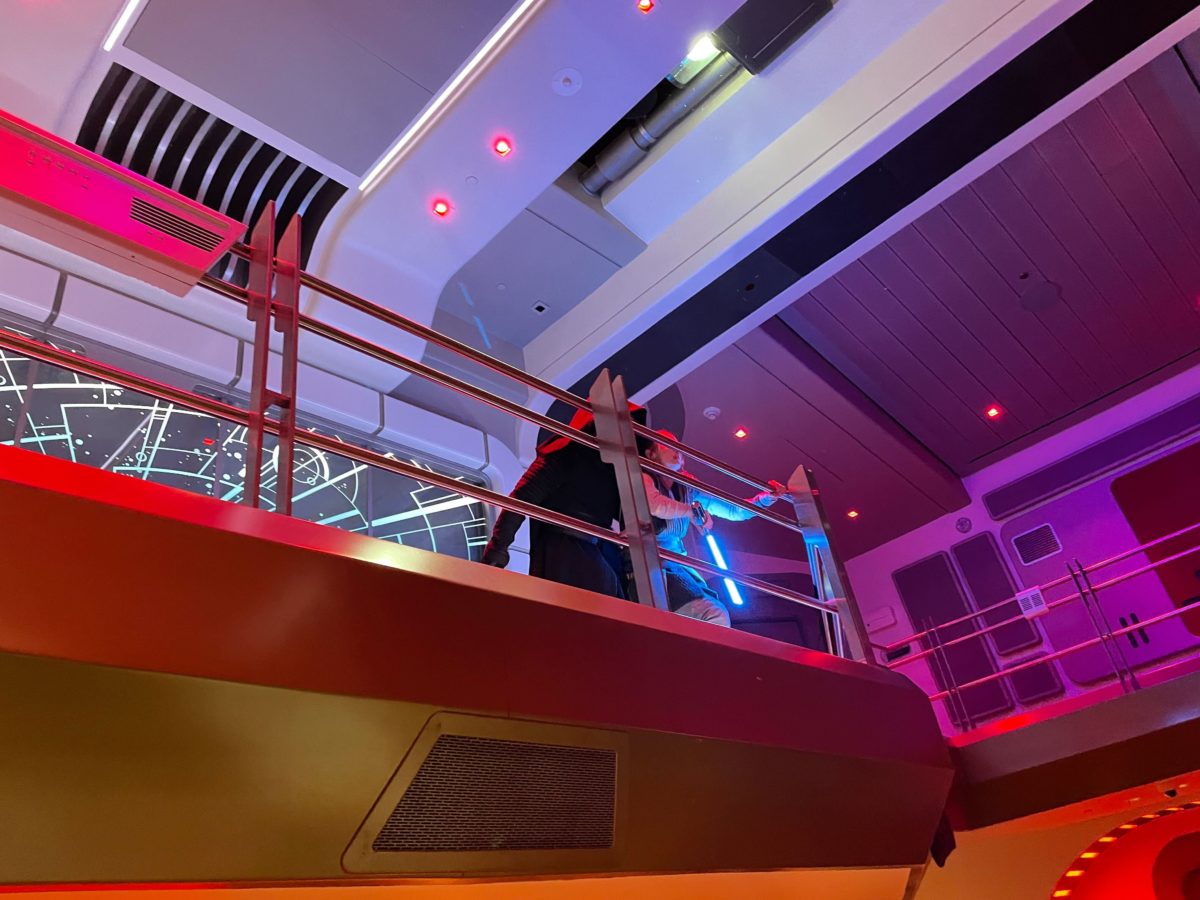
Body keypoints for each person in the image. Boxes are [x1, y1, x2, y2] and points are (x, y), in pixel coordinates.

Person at [480, 406, 649, 599]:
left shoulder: (611, 469)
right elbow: (522, 499)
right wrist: (498, 550)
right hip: (573, 557)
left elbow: (521, 499)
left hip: (582, 558)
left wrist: (497, 551)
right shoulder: (570, 453)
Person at [641, 429, 788, 626]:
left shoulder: (686, 486)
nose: (676, 450)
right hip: (646, 559)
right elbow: (656, 505)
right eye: (665, 445)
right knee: (713, 614)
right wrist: (691, 512)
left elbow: (733, 510)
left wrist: (764, 498)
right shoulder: (643, 476)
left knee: (714, 613)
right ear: (651, 454)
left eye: (678, 446)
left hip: (675, 564)